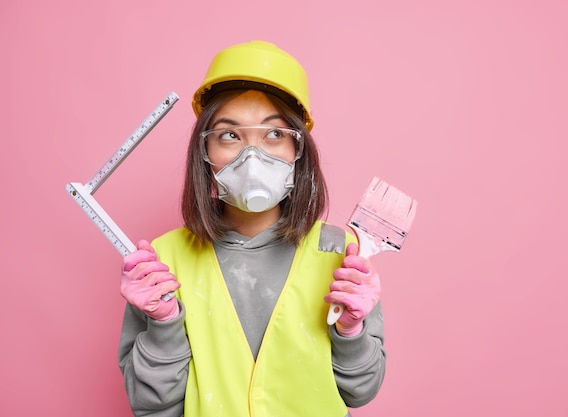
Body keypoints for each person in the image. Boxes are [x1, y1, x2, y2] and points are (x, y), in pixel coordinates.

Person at [117, 40, 386, 417]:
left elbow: (360, 391)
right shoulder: (162, 262)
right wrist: (164, 324)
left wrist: (352, 331)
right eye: (230, 135)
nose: (252, 155)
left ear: (298, 150)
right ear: (205, 152)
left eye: (274, 134)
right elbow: (149, 405)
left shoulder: (341, 252)